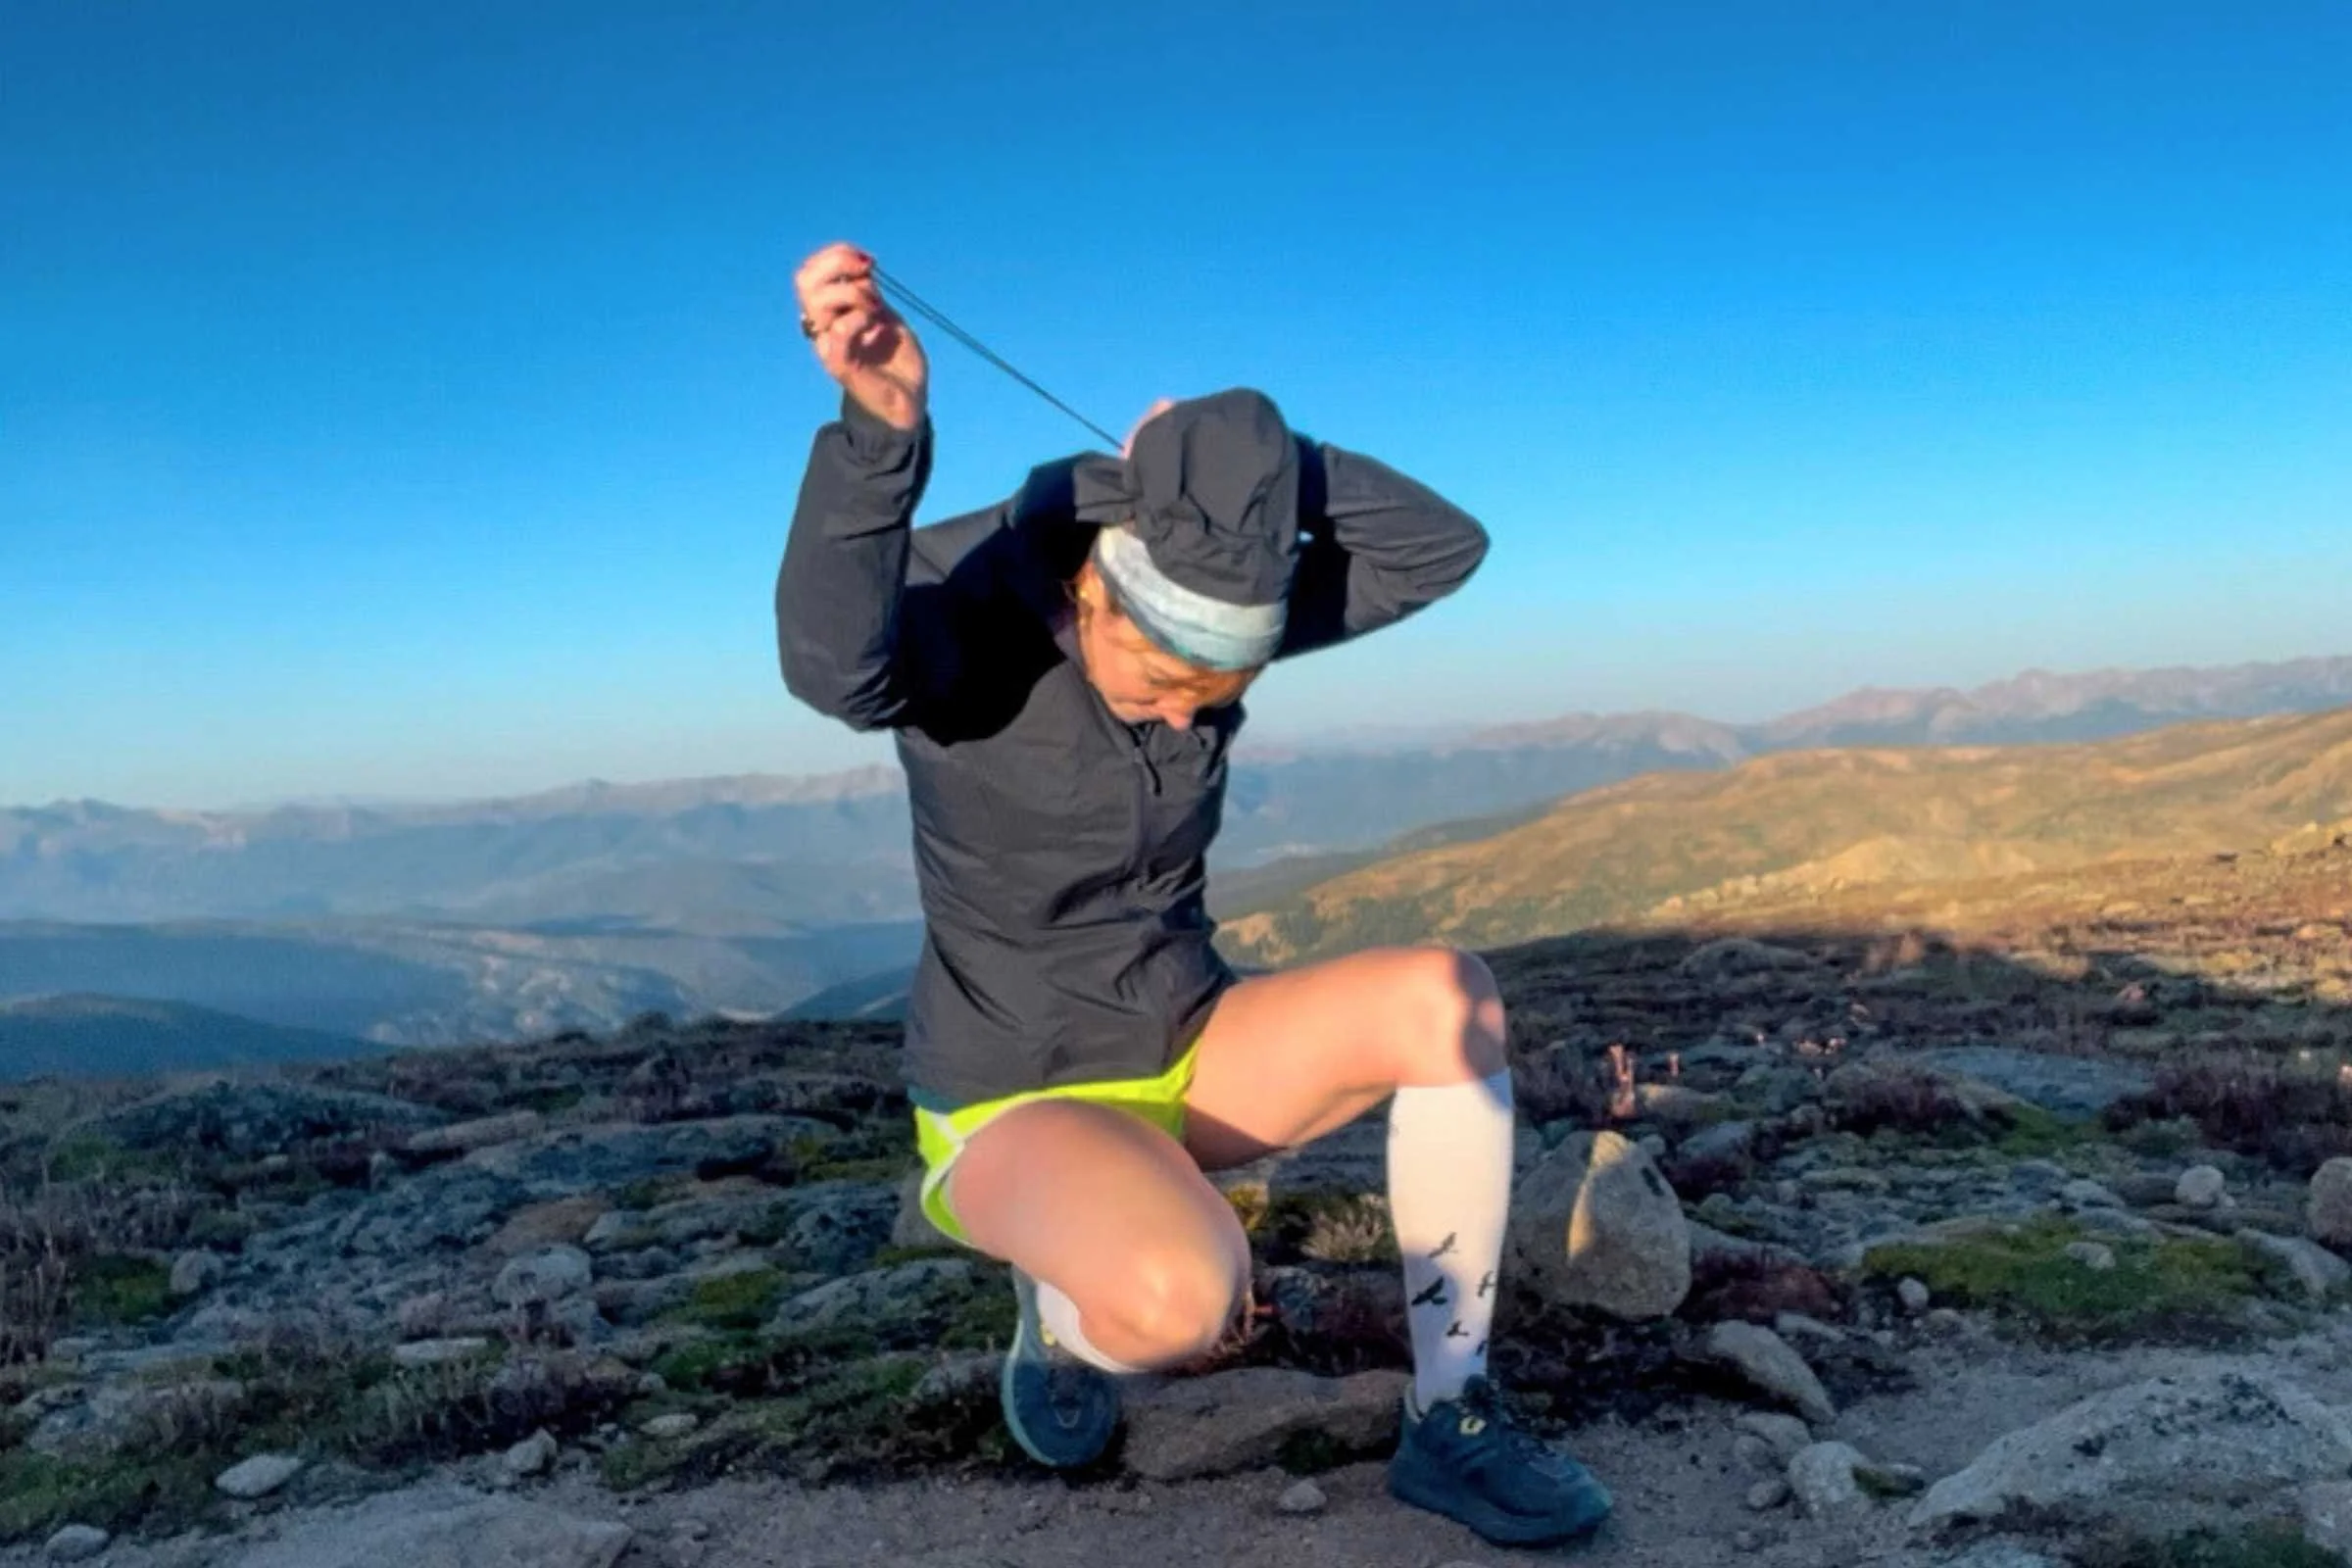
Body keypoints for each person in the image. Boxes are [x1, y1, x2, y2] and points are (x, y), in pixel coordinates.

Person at [774, 241, 1612, 1548]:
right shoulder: (971, 599)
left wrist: (1225, 475)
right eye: (1157, 678)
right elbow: (836, 670)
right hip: (1014, 1093)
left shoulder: (1214, 584)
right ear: (1089, 581)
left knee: (1451, 1001)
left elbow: (1443, 548)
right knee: (1184, 1302)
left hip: (1190, 1043)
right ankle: (1059, 1308)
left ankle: (1452, 1422)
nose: (1179, 712)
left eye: (1213, 701)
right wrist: (880, 432)